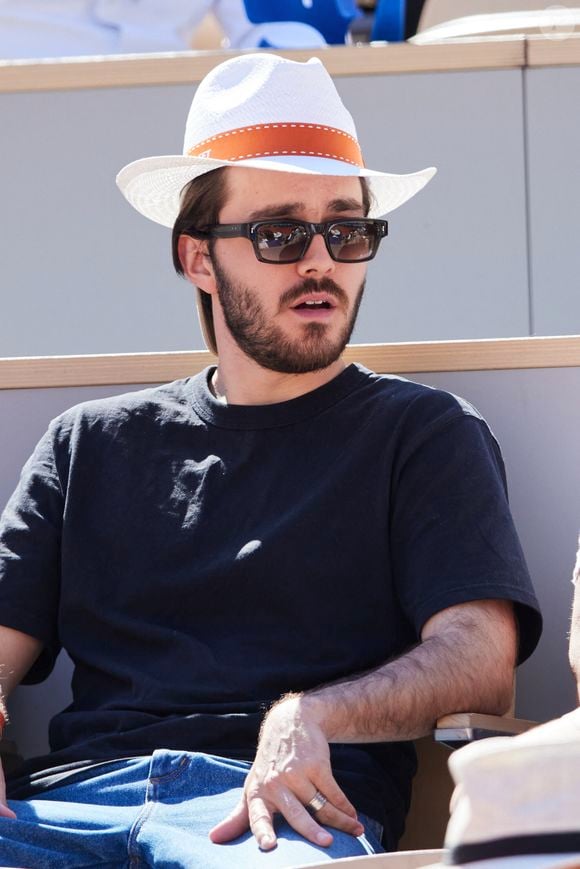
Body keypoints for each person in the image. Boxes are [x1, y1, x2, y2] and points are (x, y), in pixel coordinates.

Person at [0, 52, 541, 868]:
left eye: (347, 228)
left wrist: (308, 716)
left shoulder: (423, 431)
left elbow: (480, 661)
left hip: (281, 817)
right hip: (67, 805)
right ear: (197, 257)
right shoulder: (89, 443)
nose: (321, 259)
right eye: (281, 232)